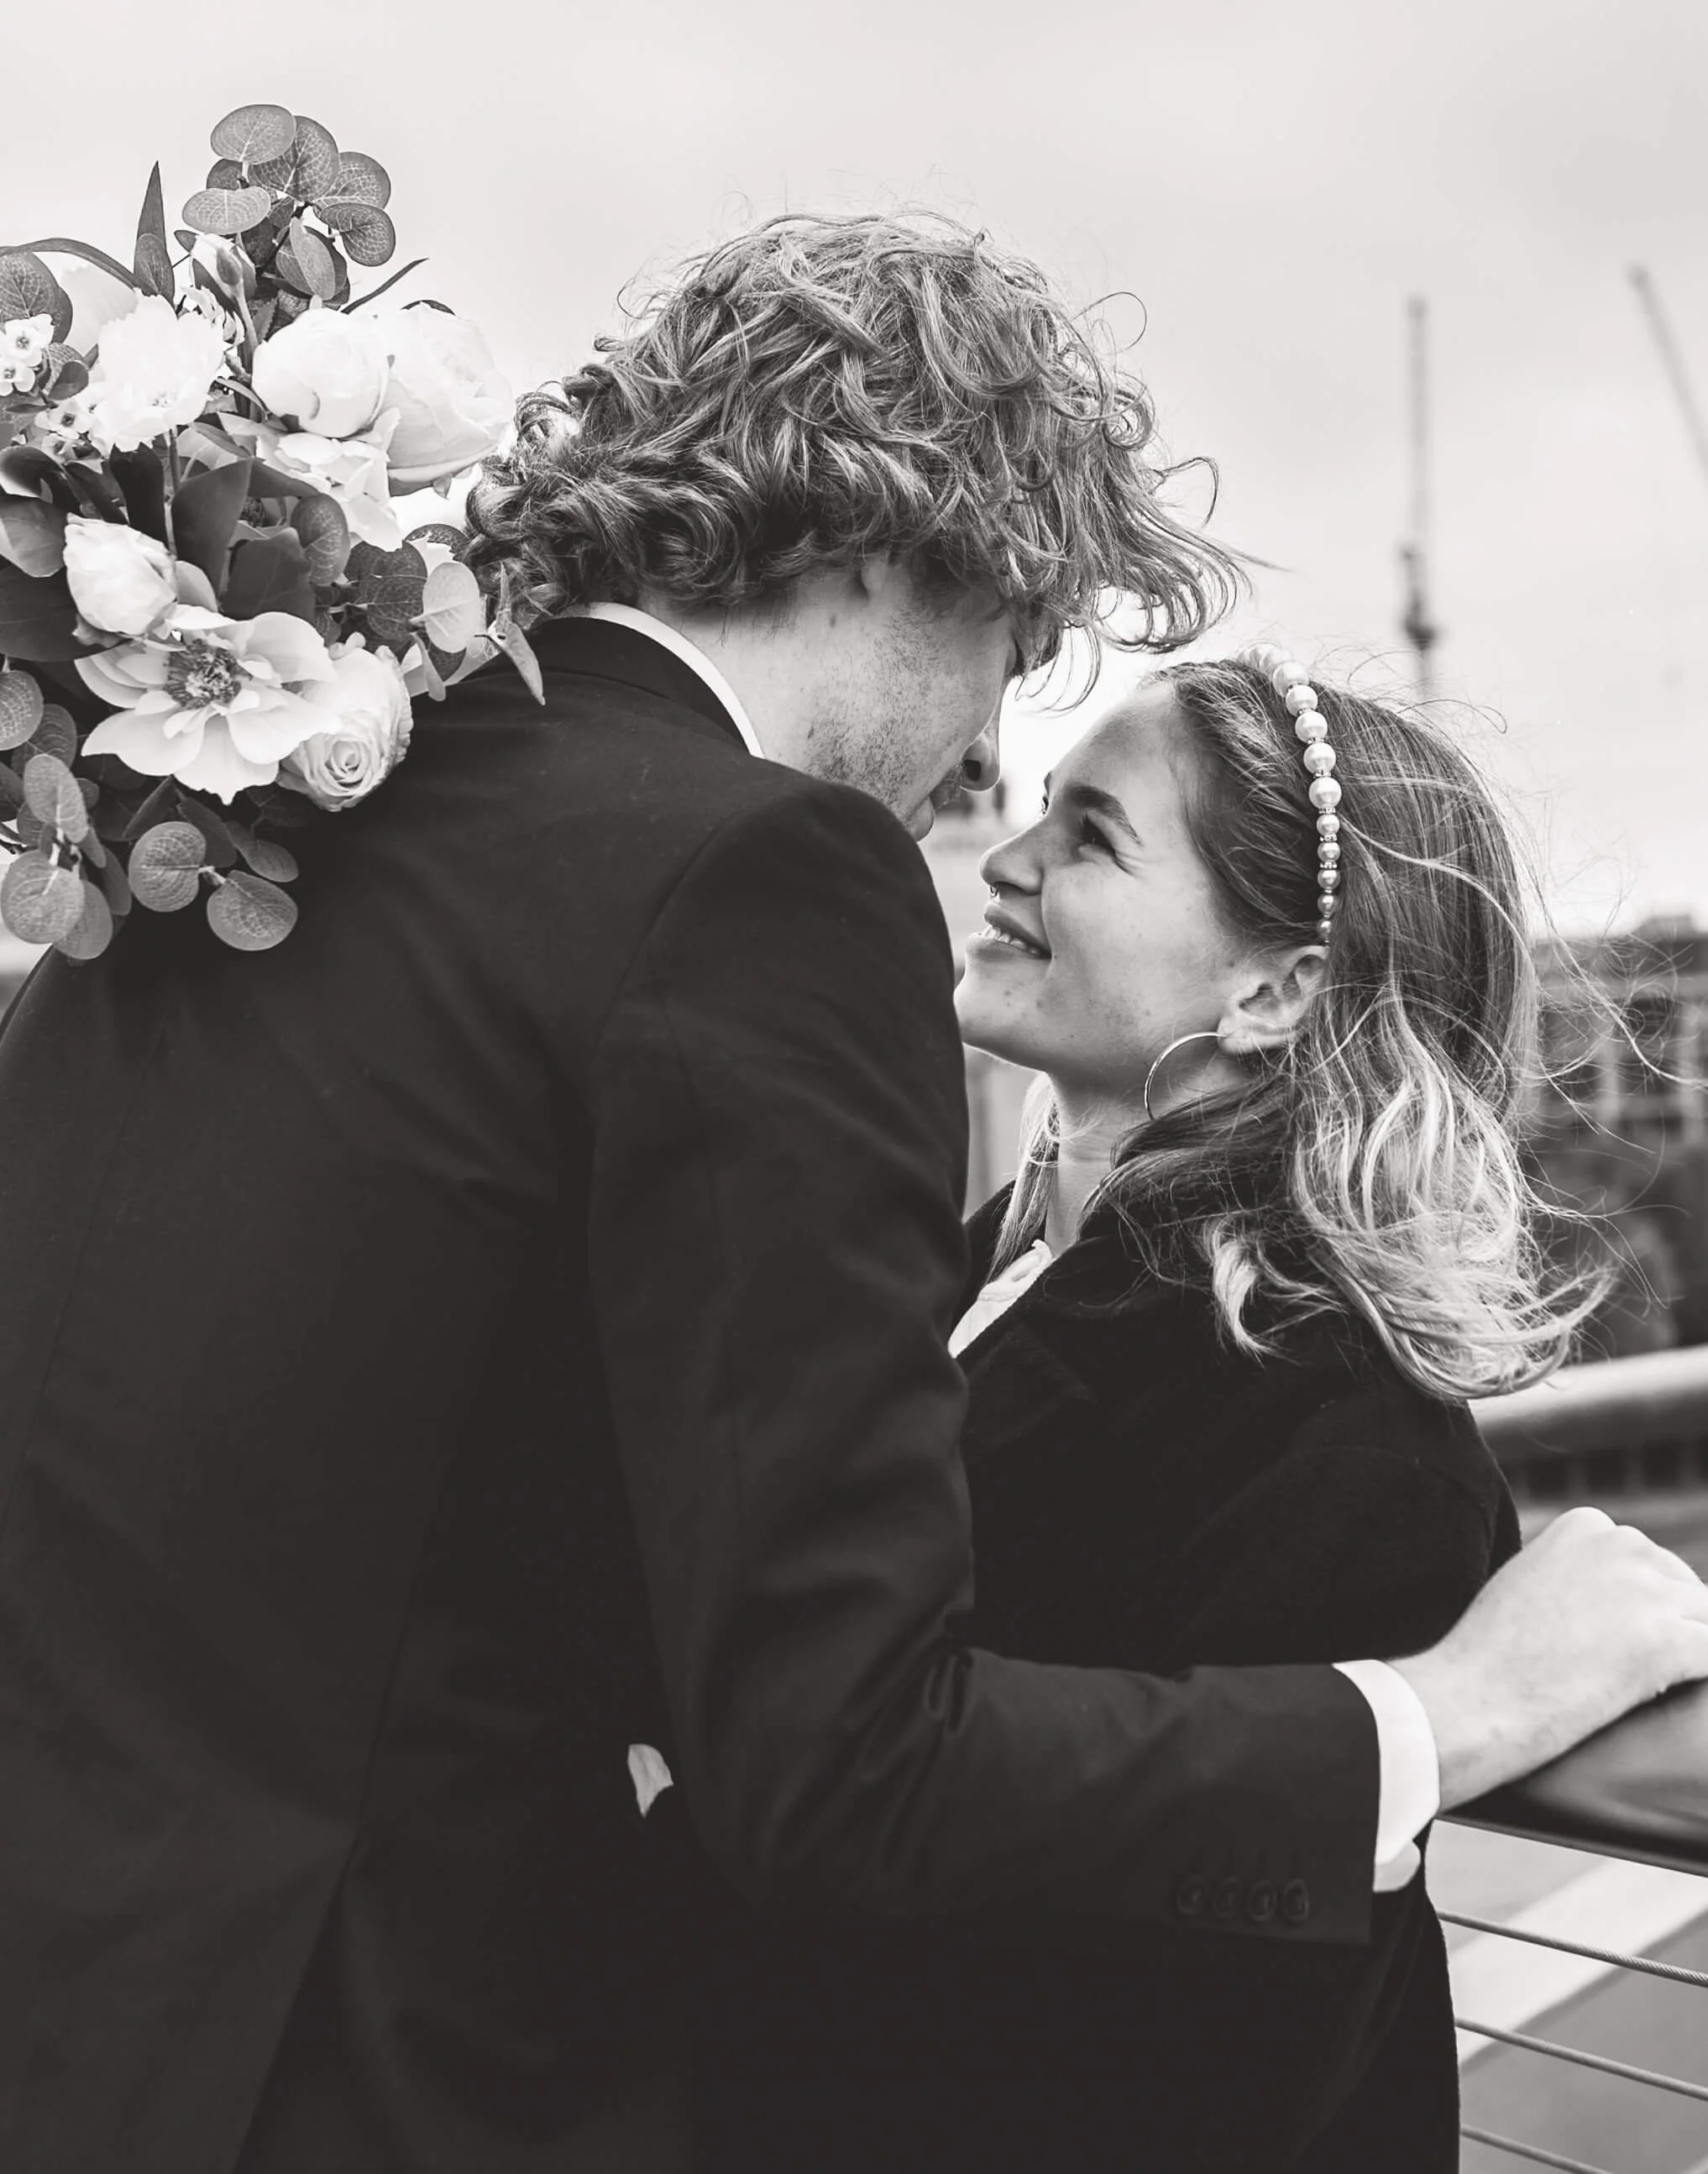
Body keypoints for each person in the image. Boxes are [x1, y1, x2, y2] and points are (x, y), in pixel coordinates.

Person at [0, 217, 1703, 2174]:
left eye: (1085, 816)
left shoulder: (269, 810)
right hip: (373, 2072)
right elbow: (842, 1756)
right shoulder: (753, 881)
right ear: (906, 545)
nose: (987, 742)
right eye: (1019, 642)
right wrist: (1444, 1717)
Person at [685, 650, 1624, 2170]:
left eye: (1091, 834)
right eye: (1039, 809)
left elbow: (1197, 2077)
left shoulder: (1341, 1425)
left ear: (1271, 991)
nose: (1003, 858)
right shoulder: (930, 1267)